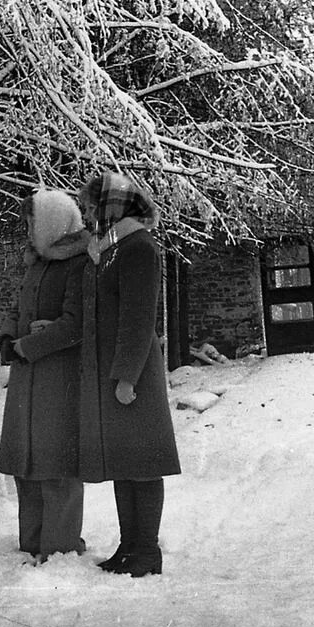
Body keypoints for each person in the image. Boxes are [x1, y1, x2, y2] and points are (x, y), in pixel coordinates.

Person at [76, 173, 180, 578]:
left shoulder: (138, 248)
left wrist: (126, 378)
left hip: (133, 374)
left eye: (91, 207)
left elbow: (138, 320)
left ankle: (147, 552)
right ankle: (129, 546)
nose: (87, 215)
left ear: (112, 208)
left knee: (144, 464)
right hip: (118, 372)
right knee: (125, 462)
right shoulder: (112, 250)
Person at [0, 189, 90, 562]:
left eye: (34, 222)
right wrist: (7, 336)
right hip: (27, 381)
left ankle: (61, 549)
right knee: (26, 465)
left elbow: (74, 323)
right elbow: (18, 308)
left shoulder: (79, 264)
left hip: (59, 381)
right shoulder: (37, 263)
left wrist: (28, 346)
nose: (29, 229)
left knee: (57, 468)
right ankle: (31, 544)